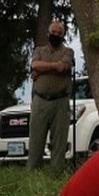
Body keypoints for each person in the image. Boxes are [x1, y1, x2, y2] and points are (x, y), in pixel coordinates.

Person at [28, 20, 75, 171]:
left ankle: (56, 173)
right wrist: (54, 65)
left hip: (60, 102)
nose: (56, 35)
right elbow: (34, 65)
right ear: (48, 33)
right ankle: (32, 173)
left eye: (59, 33)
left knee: (59, 141)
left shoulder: (68, 52)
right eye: (53, 32)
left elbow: (62, 68)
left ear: (63, 35)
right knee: (36, 140)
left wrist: (41, 69)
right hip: (40, 100)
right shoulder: (39, 50)